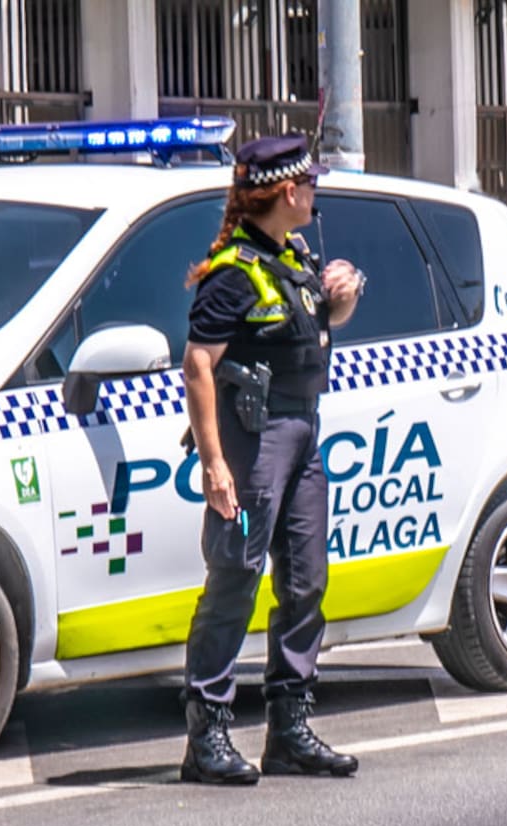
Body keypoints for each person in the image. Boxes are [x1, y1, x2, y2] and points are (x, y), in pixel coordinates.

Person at [179, 133, 365, 785]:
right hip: (253, 439)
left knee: (306, 579)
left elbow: (310, 327)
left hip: (303, 432)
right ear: (288, 192)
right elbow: (199, 364)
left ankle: (288, 730)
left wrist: (342, 292)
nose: (315, 193)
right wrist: (214, 462)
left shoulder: (294, 255)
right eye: (310, 183)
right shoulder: (233, 270)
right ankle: (207, 736)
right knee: (235, 578)